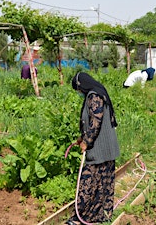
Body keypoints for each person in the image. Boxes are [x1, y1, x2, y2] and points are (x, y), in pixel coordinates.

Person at [68, 72, 120, 224]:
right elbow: (93, 122)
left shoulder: (94, 96)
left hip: (99, 149)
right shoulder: (97, 92)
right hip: (106, 149)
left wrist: (87, 141)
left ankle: (79, 218)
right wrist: (81, 138)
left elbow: (96, 121)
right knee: (102, 184)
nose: (79, 93)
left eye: (78, 90)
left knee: (88, 184)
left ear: (80, 85)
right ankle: (101, 216)